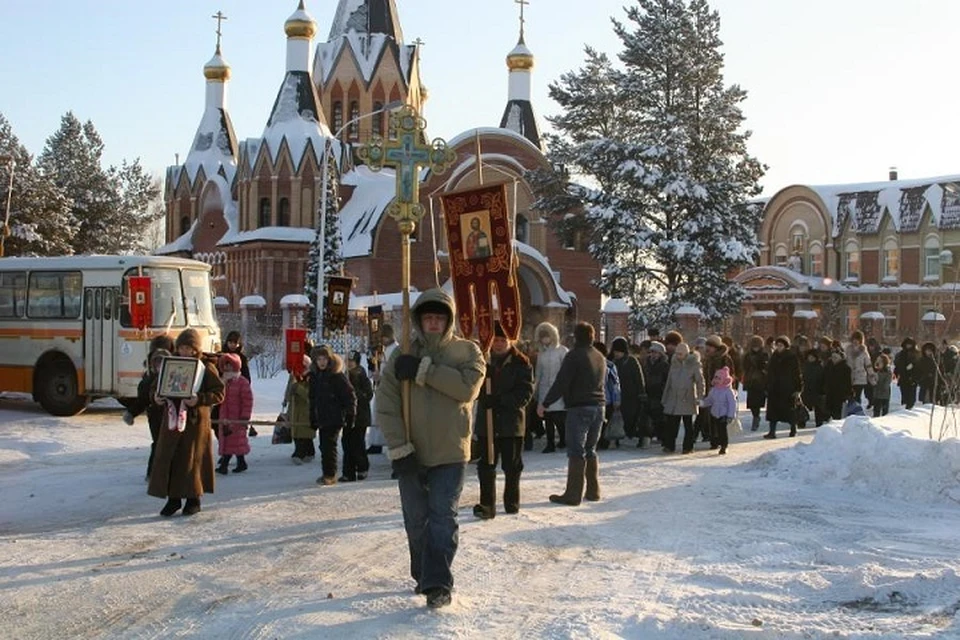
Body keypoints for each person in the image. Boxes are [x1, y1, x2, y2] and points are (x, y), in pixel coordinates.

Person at [375, 288, 485, 608]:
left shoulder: (467, 352)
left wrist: (424, 371)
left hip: (450, 452)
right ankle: (422, 572)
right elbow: (386, 402)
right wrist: (399, 446)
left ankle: (438, 583)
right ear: (419, 321)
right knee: (416, 517)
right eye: (428, 318)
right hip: (411, 451)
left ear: (448, 320)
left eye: (439, 318)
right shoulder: (401, 354)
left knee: (442, 516)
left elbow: (466, 389)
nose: (434, 323)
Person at [147, 329, 225, 517]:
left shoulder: (205, 367)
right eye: (182, 347)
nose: (184, 352)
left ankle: (193, 499)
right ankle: (173, 499)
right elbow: (154, 388)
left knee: (192, 461)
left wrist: (199, 399)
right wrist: (156, 398)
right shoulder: (170, 365)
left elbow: (219, 393)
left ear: (195, 349)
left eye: (189, 348)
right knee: (171, 458)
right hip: (172, 421)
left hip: (194, 423)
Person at [539, 322, 606, 506]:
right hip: (599, 407)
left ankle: (573, 494)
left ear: (576, 337)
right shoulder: (600, 356)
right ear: (592, 336)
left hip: (579, 408)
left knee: (576, 450)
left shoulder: (573, 356)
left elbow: (562, 382)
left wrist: (545, 403)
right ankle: (593, 491)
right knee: (590, 450)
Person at [473, 322, 535, 519]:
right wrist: (482, 397)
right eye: (495, 340)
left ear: (511, 341)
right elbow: (472, 385)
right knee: (486, 464)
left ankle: (511, 502)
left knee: (512, 465)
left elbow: (525, 394)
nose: (498, 344)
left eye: (502, 340)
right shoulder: (482, 361)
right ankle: (487, 504)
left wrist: (500, 401)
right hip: (487, 423)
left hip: (511, 424)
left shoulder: (521, 363)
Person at [123, 334, 176, 481]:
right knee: (159, 443)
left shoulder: (175, 371)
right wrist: (131, 413)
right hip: (156, 416)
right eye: (157, 362)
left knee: (170, 444)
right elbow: (142, 400)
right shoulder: (149, 378)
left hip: (173, 414)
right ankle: (152, 473)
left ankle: (168, 473)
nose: (160, 365)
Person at [308, 346, 357, 486]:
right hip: (322, 416)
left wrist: (350, 414)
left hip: (334, 416)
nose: (322, 362)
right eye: (319, 359)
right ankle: (328, 473)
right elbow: (312, 398)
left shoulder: (336, 376)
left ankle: (330, 475)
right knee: (324, 446)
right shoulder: (315, 376)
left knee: (329, 446)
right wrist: (312, 416)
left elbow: (350, 396)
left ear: (329, 360)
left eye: (324, 359)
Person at [662, 343, 705, 454]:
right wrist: (665, 397)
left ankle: (688, 447)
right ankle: (669, 446)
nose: (678, 356)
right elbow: (669, 382)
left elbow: (700, 382)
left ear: (686, 354)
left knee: (688, 424)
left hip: (688, 398)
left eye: (680, 354)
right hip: (674, 397)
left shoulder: (694, 364)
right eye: (677, 354)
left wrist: (700, 397)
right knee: (672, 424)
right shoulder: (674, 363)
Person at [215, 353, 253, 474]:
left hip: (237, 418)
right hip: (225, 417)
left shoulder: (242, 382)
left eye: (230, 365)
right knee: (231, 441)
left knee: (234, 440)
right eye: (225, 365)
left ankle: (225, 465)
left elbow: (248, 400)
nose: (227, 368)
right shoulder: (223, 382)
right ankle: (241, 462)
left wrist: (245, 417)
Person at [534, 322, 568, 453]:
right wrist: (535, 388)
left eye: (546, 336)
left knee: (559, 418)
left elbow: (566, 371)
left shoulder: (562, 351)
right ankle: (550, 443)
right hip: (544, 389)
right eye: (542, 337)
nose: (544, 339)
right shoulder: (541, 353)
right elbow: (538, 372)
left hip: (558, 389)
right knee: (547, 417)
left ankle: (563, 439)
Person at [367, 324, 399, 455]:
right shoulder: (385, 349)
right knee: (377, 414)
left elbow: (393, 370)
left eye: (385, 337)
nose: (383, 340)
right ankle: (376, 443)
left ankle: (385, 443)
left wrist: (381, 376)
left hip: (389, 386)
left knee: (385, 415)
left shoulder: (395, 349)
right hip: (381, 385)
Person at [609, 336, 646, 448]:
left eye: (619, 351)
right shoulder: (611, 362)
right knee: (615, 418)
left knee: (631, 417)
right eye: (615, 351)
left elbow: (639, 378)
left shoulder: (631, 361)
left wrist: (641, 393)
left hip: (631, 395)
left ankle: (632, 435)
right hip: (615, 395)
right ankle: (616, 439)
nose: (617, 354)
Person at [343, 350, 373, 482]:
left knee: (358, 444)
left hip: (360, 417)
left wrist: (355, 391)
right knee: (346, 443)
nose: (349, 364)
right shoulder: (344, 376)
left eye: (351, 361)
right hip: (348, 416)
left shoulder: (362, 376)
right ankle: (348, 472)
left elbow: (368, 395)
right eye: (347, 361)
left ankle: (362, 468)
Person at [764, 336, 802, 439]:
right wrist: (767, 385)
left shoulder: (791, 357)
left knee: (789, 411)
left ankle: (793, 429)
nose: (778, 347)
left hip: (787, 388)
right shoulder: (774, 357)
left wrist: (798, 388)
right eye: (777, 345)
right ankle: (772, 432)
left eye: (781, 345)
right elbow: (770, 372)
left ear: (785, 346)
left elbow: (796, 373)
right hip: (774, 388)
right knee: (773, 412)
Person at [699, 366, 738, 455]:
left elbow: (732, 404)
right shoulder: (714, 390)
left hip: (723, 414)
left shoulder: (728, 391)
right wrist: (702, 403)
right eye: (715, 378)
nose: (716, 380)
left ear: (724, 379)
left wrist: (731, 415)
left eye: (719, 378)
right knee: (713, 429)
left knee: (722, 430)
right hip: (714, 413)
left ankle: (724, 445)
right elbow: (710, 400)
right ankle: (714, 442)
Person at [285, 355, 315, 465]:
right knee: (297, 433)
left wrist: (298, 388)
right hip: (294, 409)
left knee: (304, 433)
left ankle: (301, 453)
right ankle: (306, 451)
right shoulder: (294, 376)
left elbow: (310, 395)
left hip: (305, 411)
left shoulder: (311, 378)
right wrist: (286, 398)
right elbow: (289, 390)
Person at [643, 341, 669, 447]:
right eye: (652, 352)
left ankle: (661, 436)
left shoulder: (664, 365)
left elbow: (666, 380)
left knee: (660, 416)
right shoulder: (646, 364)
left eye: (656, 352)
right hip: (648, 392)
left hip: (659, 393)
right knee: (648, 415)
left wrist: (662, 389)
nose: (653, 354)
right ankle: (649, 435)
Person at [742, 335, 769, 432]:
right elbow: (744, 367)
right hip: (751, 381)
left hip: (760, 381)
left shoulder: (764, 355)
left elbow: (766, 367)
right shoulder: (747, 355)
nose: (755, 348)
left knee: (758, 402)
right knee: (752, 403)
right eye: (754, 346)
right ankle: (755, 416)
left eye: (757, 346)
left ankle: (756, 418)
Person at [823, 348, 853, 420]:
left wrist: (848, 394)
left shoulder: (846, 368)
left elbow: (848, 382)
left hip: (840, 394)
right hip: (830, 393)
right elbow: (825, 379)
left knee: (838, 413)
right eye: (832, 357)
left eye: (836, 357)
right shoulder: (828, 367)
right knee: (830, 411)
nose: (834, 359)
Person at [801, 349, 826, 427]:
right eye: (809, 357)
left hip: (817, 390)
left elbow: (823, 379)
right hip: (806, 389)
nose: (810, 359)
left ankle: (819, 422)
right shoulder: (805, 366)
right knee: (802, 407)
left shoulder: (820, 367)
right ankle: (801, 421)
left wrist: (822, 389)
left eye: (812, 357)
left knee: (818, 408)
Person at [894, 337, 921, 409]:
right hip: (903, 377)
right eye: (907, 344)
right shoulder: (901, 354)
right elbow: (898, 364)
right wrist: (896, 372)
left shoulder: (916, 353)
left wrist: (913, 366)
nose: (908, 346)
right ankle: (904, 409)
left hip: (912, 377)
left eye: (910, 344)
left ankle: (909, 409)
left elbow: (919, 365)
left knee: (911, 397)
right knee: (904, 396)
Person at [845, 331, 871, 404]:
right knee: (850, 396)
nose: (855, 341)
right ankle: (850, 411)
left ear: (860, 340)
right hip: (849, 376)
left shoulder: (864, 351)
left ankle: (857, 411)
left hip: (860, 377)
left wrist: (871, 375)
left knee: (857, 396)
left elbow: (868, 364)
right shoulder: (848, 349)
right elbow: (845, 360)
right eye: (854, 339)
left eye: (857, 339)